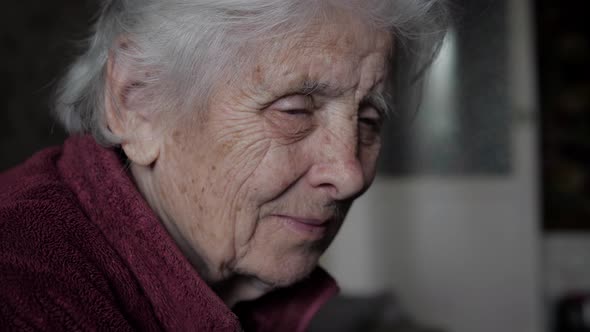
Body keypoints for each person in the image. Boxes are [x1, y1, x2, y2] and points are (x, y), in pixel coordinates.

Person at [0, 0, 449, 330]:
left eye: (369, 119)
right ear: (137, 103)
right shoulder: (22, 286)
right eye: (294, 111)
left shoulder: (246, 288)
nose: (350, 175)